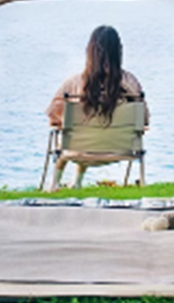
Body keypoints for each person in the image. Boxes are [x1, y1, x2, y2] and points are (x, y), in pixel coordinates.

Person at [45, 25, 149, 189]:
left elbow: (52, 115)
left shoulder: (73, 83)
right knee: (93, 126)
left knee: (75, 130)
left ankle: (54, 183)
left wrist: (63, 122)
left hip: (77, 150)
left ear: (90, 51)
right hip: (121, 149)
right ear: (118, 52)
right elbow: (144, 120)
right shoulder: (130, 82)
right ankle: (77, 181)